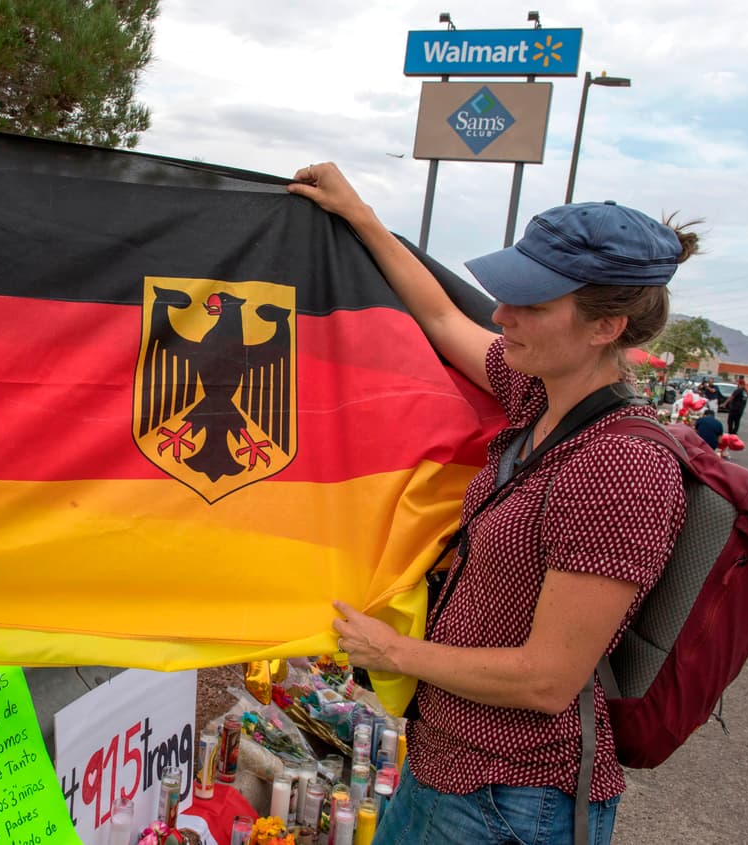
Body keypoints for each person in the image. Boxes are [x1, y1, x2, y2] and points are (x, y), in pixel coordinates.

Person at [290, 163, 698, 845]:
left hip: (515, 800)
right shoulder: (543, 397)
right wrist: (358, 214)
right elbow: (442, 314)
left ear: (607, 327)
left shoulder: (621, 466)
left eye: (530, 304)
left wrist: (393, 649)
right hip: (444, 768)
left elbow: (546, 678)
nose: (502, 315)